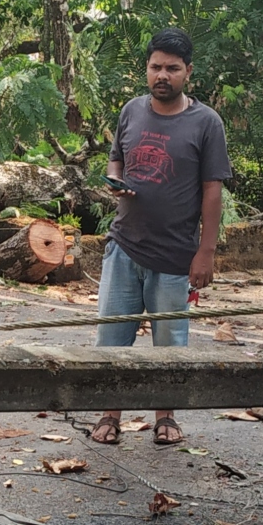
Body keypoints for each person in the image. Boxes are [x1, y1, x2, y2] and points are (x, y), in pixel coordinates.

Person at [87, 28, 231, 446]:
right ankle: (109, 416)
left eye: (172, 68)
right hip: (124, 248)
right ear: (146, 69)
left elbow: (212, 190)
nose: (162, 75)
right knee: (112, 339)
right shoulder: (132, 111)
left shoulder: (206, 123)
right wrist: (115, 181)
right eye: (155, 67)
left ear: (188, 72)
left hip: (174, 256)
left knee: (170, 343)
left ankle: (166, 417)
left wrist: (206, 252)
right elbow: (116, 159)